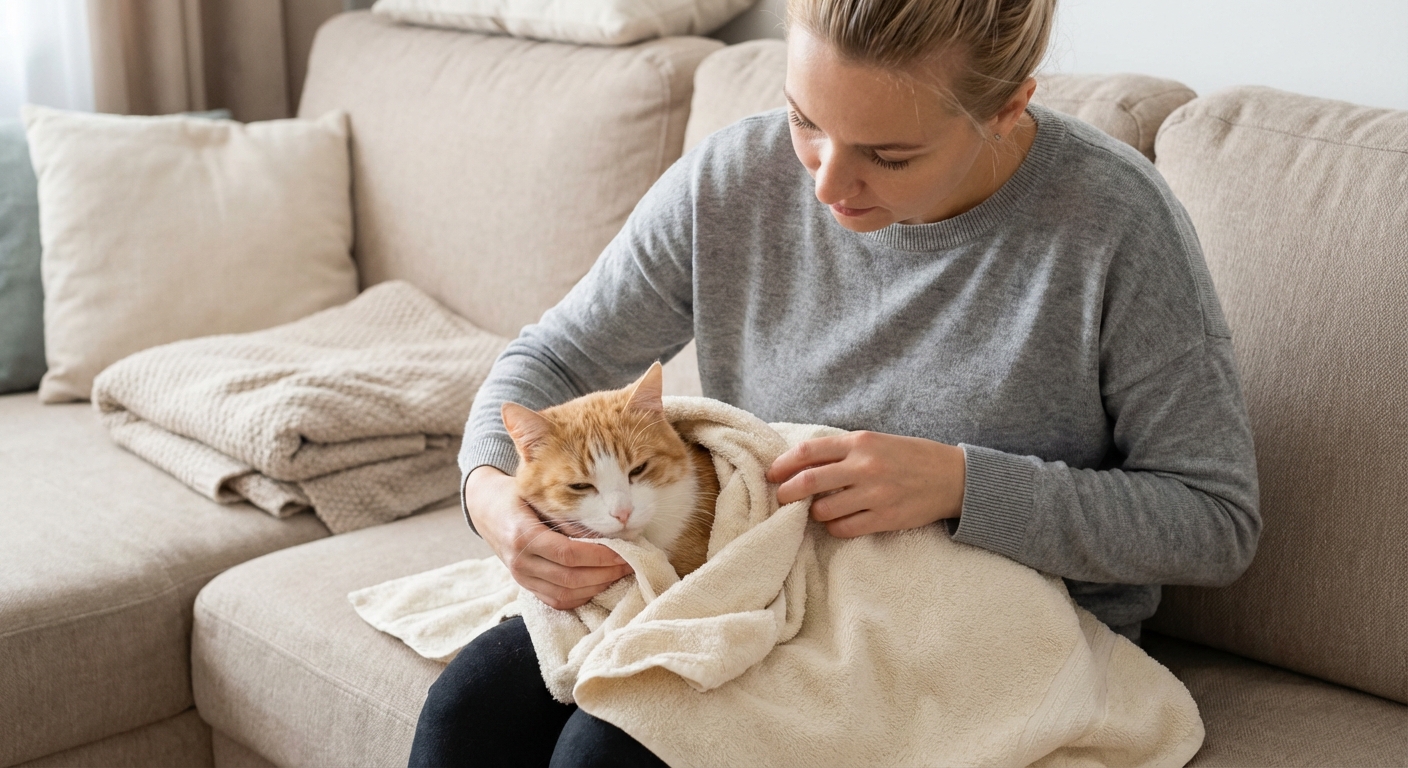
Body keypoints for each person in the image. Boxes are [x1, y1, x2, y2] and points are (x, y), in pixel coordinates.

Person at [408, 0, 1261, 765]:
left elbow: (1215, 523)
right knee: (468, 712)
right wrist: (493, 500)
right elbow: (546, 363)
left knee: (615, 748)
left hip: (975, 619)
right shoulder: (731, 181)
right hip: (757, 573)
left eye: (888, 154)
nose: (824, 183)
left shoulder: (1114, 226)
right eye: (803, 120)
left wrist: (961, 484)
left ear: (1007, 108)